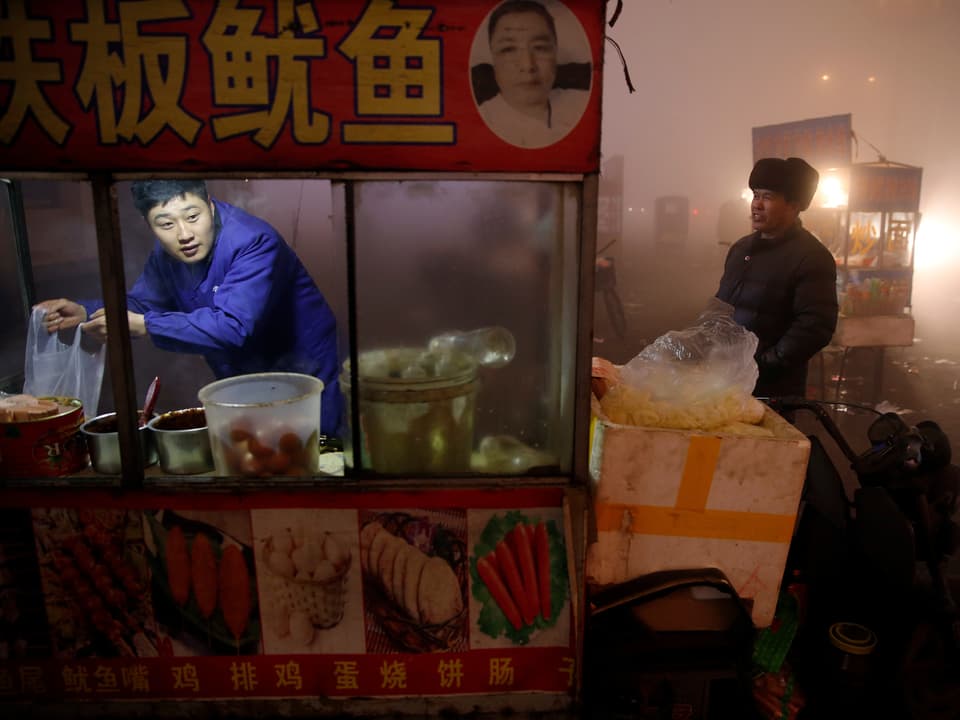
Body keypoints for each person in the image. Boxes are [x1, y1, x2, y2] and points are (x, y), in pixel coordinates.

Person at [35, 179, 344, 436]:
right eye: (166, 223)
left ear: (209, 204)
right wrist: (87, 311)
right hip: (242, 373)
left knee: (313, 451)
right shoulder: (166, 255)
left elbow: (231, 327)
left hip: (302, 367)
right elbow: (143, 303)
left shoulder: (253, 241)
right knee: (256, 456)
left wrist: (146, 325)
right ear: (149, 224)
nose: (184, 234)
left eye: (192, 216)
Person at [716, 157, 838, 399]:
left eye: (768, 197)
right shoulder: (740, 250)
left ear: (794, 205)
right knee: (708, 437)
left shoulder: (812, 257)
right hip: (722, 382)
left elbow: (815, 326)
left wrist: (763, 365)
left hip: (772, 393)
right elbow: (721, 307)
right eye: (755, 195)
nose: (757, 205)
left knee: (753, 439)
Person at [476, 0, 588, 149]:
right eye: (508, 49)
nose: (528, 66)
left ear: (555, 53)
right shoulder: (482, 121)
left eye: (540, 48)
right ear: (493, 59)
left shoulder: (580, 105)